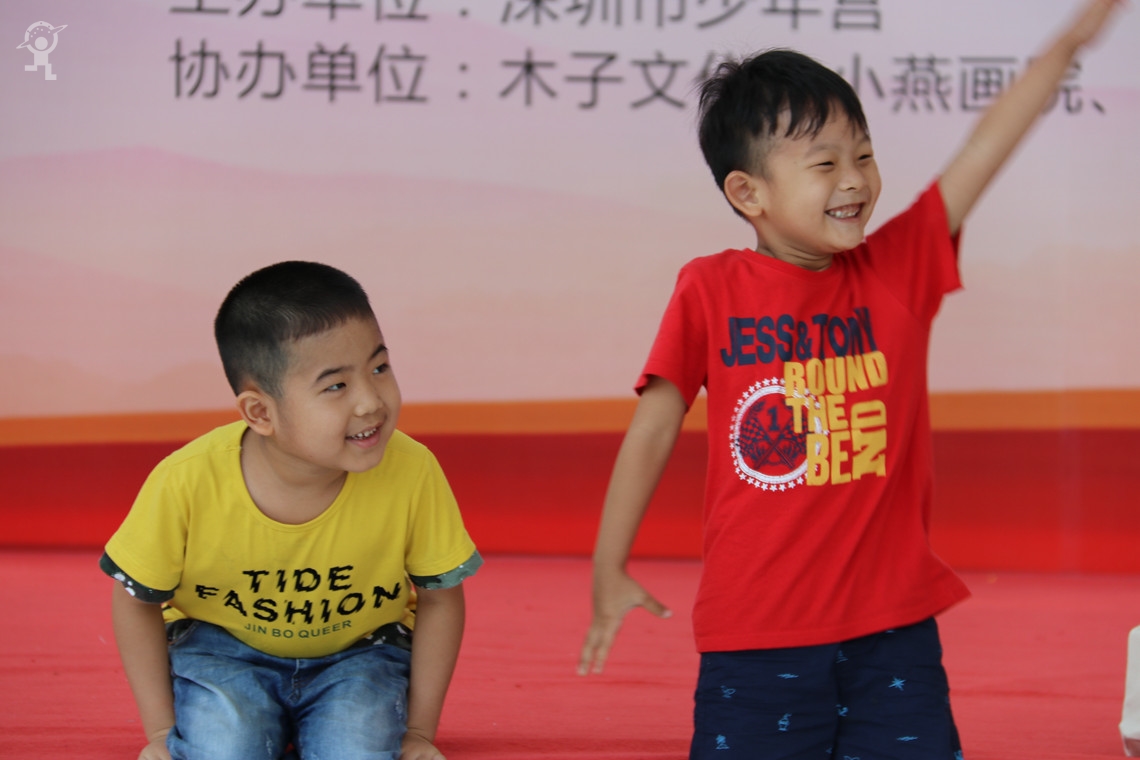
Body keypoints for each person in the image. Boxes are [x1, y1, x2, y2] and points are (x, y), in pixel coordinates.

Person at [578, 1, 1124, 757]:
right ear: (748, 193)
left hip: (893, 635)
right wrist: (609, 564)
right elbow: (653, 429)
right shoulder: (709, 288)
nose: (855, 180)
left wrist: (1067, 44)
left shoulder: (898, 270)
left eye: (863, 155)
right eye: (824, 164)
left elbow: (983, 148)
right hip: (756, 637)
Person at [102, 261, 482, 760]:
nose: (371, 402)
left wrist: (419, 731)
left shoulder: (413, 470)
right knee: (222, 750)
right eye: (336, 386)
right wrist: (159, 733)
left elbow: (440, 599)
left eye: (379, 368)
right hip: (222, 651)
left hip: (361, 654)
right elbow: (135, 600)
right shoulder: (186, 480)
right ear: (261, 412)